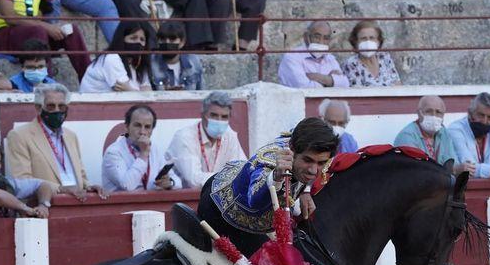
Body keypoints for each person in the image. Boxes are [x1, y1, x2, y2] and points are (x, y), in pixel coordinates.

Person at [199, 116, 339, 255]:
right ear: (291, 148)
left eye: (321, 163)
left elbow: (297, 131)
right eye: (308, 160)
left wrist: (305, 191)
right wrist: (276, 176)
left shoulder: (303, 141)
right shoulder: (268, 162)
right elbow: (254, 201)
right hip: (222, 212)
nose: (313, 170)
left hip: (251, 206)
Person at [5, 83, 107, 199]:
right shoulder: (19, 135)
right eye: (51, 106)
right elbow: (23, 181)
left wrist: (88, 187)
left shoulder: (70, 136)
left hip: (77, 202)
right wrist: (60, 189)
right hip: (45, 205)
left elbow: (81, 176)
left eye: (62, 106)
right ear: (38, 108)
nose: (57, 111)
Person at [165, 90, 247, 188]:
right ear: (203, 115)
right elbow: (194, 180)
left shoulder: (230, 136)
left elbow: (242, 171)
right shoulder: (184, 137)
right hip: (186, 199)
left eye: (224, 117)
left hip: (219, 198)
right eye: (214, 115)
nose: (219, 121)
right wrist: (228, 179)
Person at [103, 104, 183, 191]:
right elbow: (127, 186)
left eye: (147, 127)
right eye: (137, 125)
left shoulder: (154, 149)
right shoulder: (114, 152)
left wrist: (170, 183)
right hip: (121, 204)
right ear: (126, 127)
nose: (142, 132)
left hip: (150, 203)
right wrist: (143, 155)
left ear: (152, 130)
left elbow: (178, 182)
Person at [393, 94, 465, 172]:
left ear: (443, 115)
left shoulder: (443, 132)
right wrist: (453, 170)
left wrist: (459, 168)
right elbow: (416, 171)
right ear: (419, 113)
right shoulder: (407, 136)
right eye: (428, 111)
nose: (434, 116)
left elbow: (453, 161)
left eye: (438, 112)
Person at [78, 20, 151, 92]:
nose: (138, 42)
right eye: (133, 38)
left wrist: (131, 90)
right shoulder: (111, 58)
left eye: (142, 40)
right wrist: (133, 90)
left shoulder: (139, 64)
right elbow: (126, 93)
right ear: (122, 39)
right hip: (92, 103)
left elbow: (147, 91)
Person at [278, 20, 349, 88]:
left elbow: (345, 84)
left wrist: (320, 78)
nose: (321, 42)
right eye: (317, 37)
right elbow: (304, 87)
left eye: (326, 38)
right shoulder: (292, 57)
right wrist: (331, 82)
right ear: (306, 37)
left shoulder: (330, 59)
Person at [342, 19, 400, 87]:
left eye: (372, 38)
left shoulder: (385, 58)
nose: (368, 42)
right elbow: (357, 92)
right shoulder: (351, 64)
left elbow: (397, 84)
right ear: (355, 42)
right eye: (363, 38)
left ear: (378, 41)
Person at [150, 20, 204, 90]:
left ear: (182, 42)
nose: (167, 43)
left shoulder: (193, 60)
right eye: (162, 39)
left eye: (172, 39)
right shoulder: (151, 62)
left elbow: (201, 91)